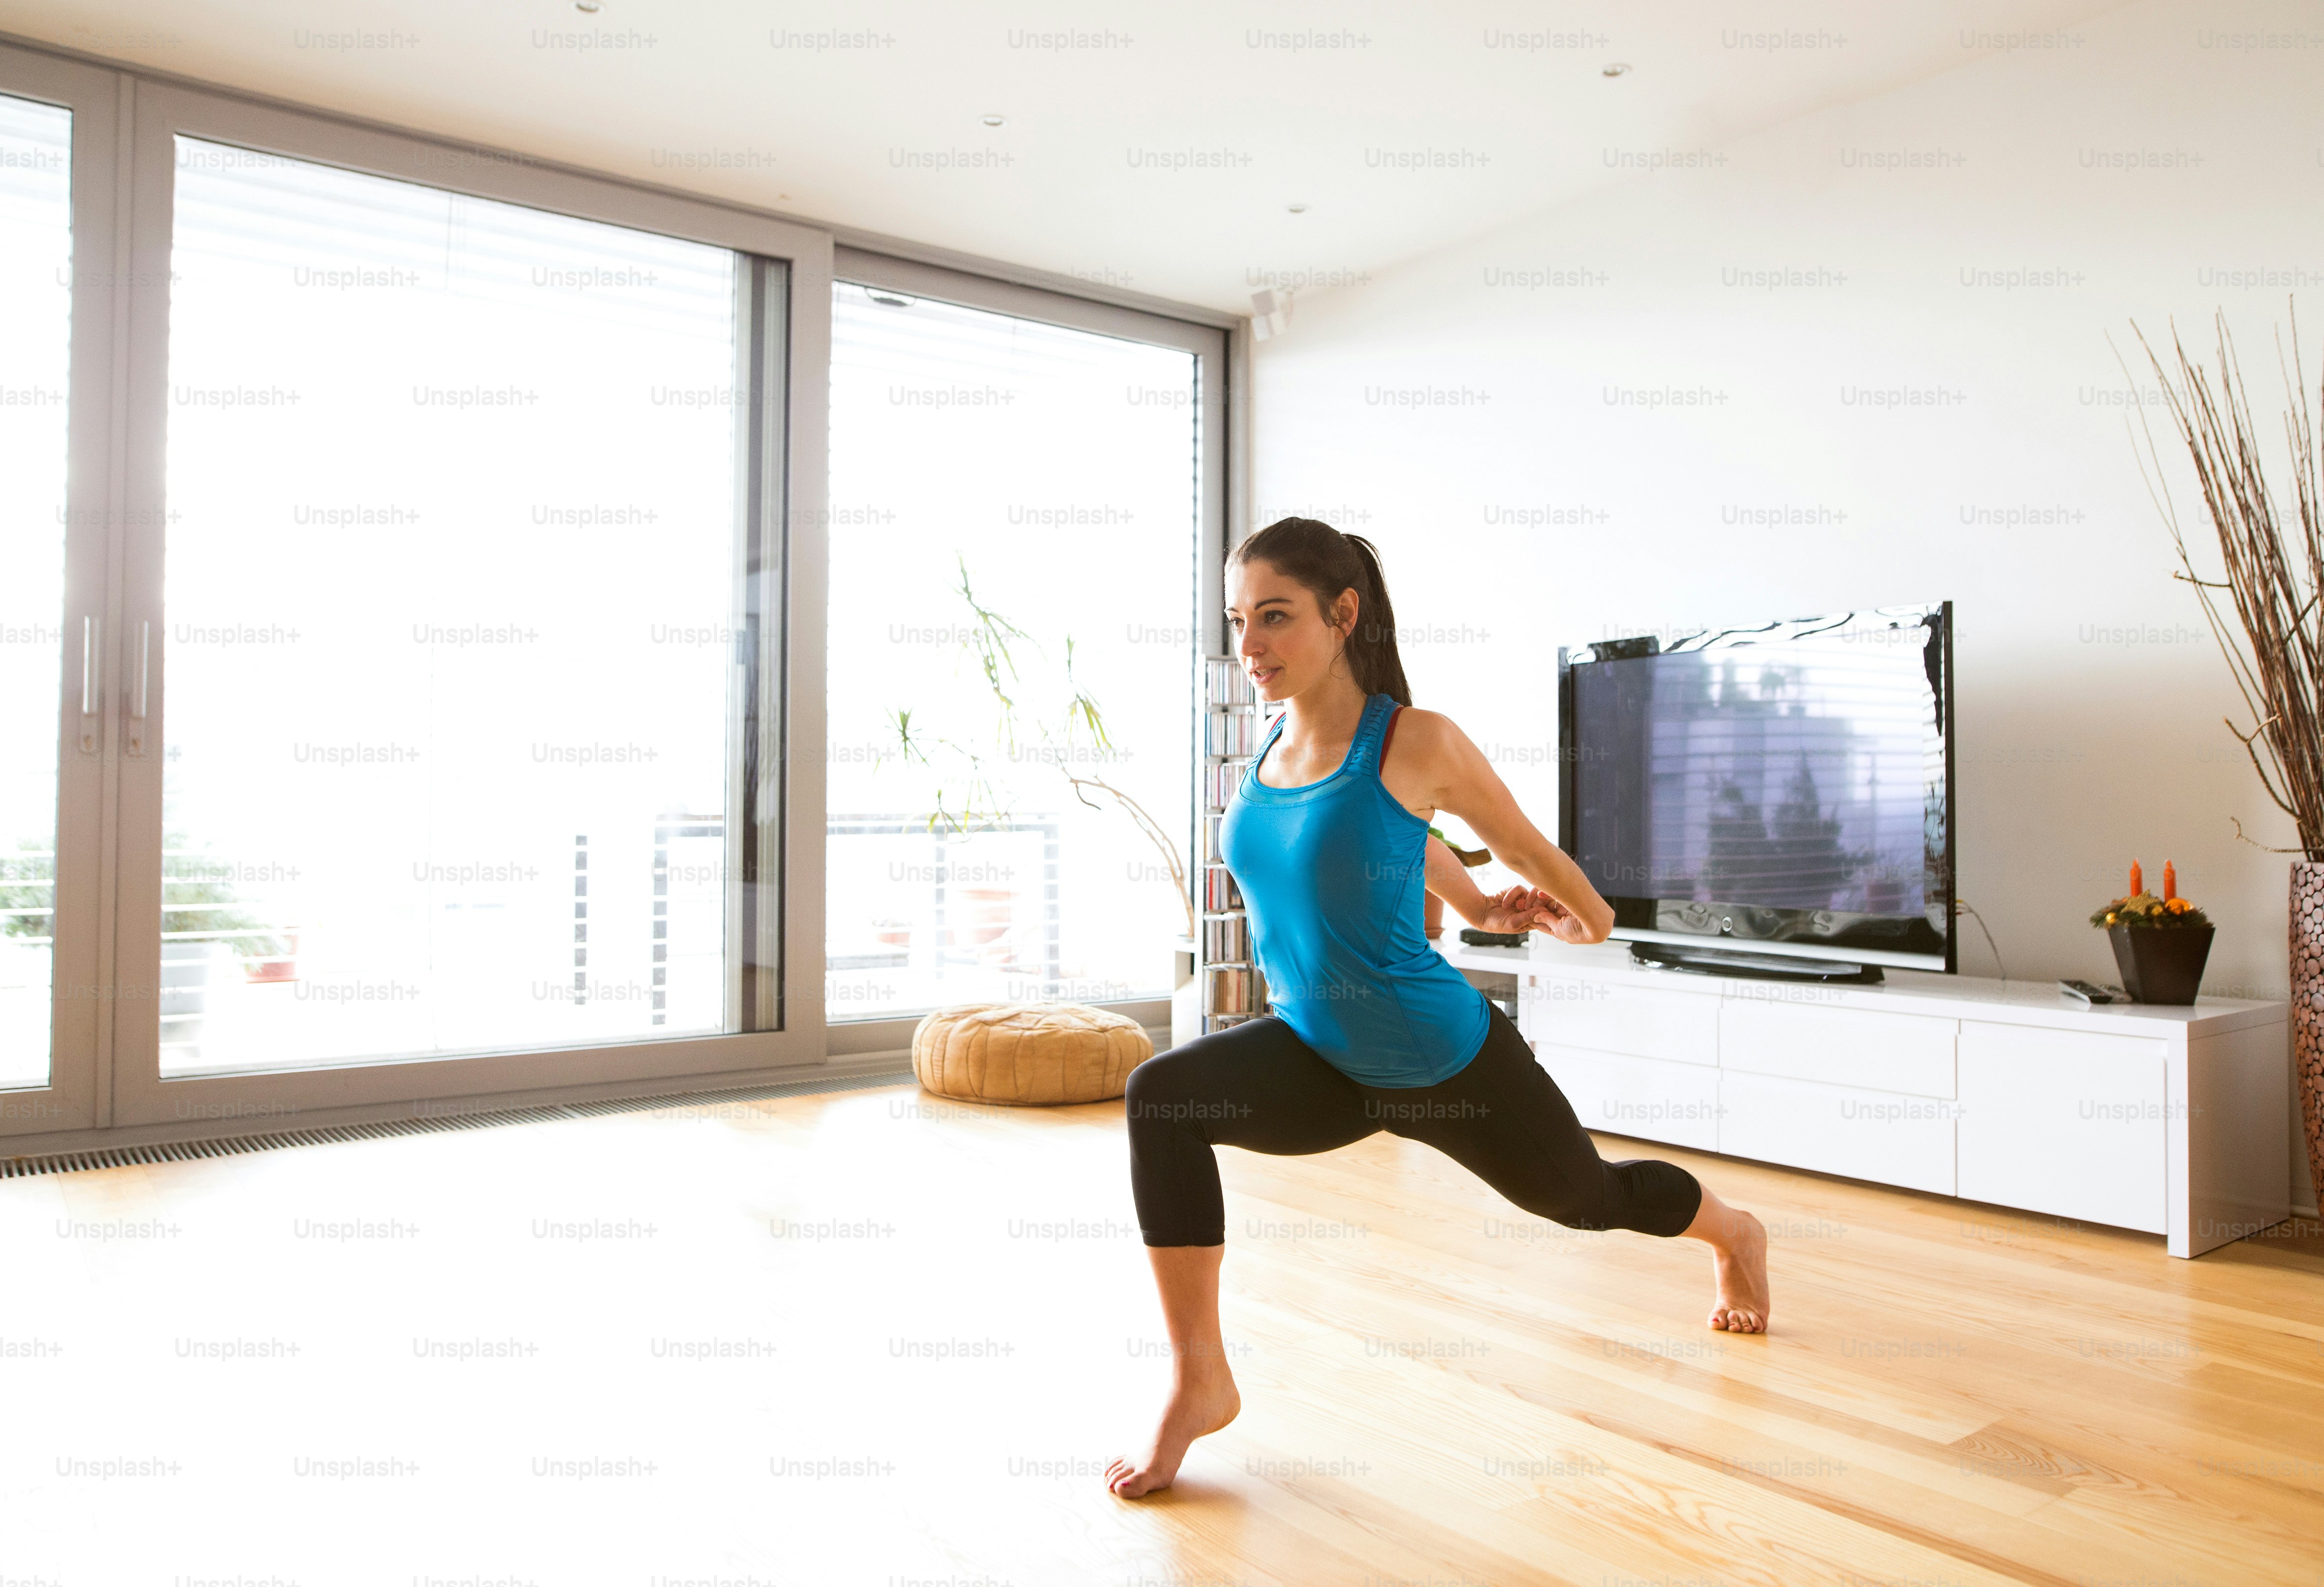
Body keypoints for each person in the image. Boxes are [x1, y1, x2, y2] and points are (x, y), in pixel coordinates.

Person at [1105, 518, 1770, 1500]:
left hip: (1441, 1062)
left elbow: (1527, 845)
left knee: (1585, 1201)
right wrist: (1469, 906)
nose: (1251, 647)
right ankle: (1200, 1379)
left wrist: (1586, 920)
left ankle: (1735, 1233)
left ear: (1343, 615)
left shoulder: (1417, 739)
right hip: (1318, 1054)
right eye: (1240, 621)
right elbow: (1380, 841)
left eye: (1276, 618)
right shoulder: (1272, 746)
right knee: (1160, 1095)